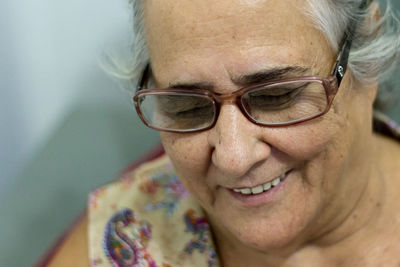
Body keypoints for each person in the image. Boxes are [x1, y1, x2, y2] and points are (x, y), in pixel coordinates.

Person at [46, 0, 400, 266]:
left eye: (275, 96)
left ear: (363, 57)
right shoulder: (115, 244)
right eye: (189, 106)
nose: (233, 159)